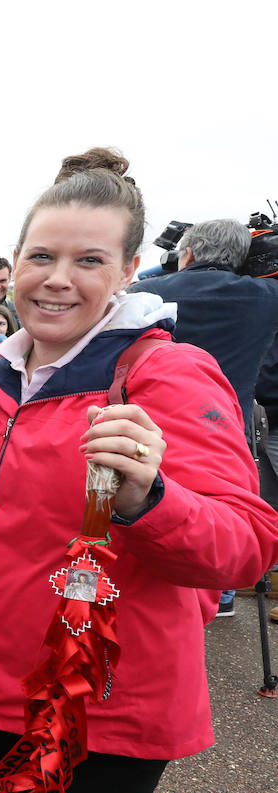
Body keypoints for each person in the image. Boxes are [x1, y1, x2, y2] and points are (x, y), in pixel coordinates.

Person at [0, 148, 278, 793]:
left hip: (102, 694)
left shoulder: (166, 373)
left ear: (129, 270)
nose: (58, 278)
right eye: (42, 256)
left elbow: (249, 540)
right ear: (15, 263)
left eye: (88, 259)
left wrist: (150, 500)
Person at [131, 219, 278, 617]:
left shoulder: (146, 291)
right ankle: (222, 594)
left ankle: (173, 598)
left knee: (160, 507)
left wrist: (173, 263)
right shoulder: (265, 296)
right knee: (226, 506)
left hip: (154, 416)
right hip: (228, 420)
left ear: (189, 253)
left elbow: (139, 278)